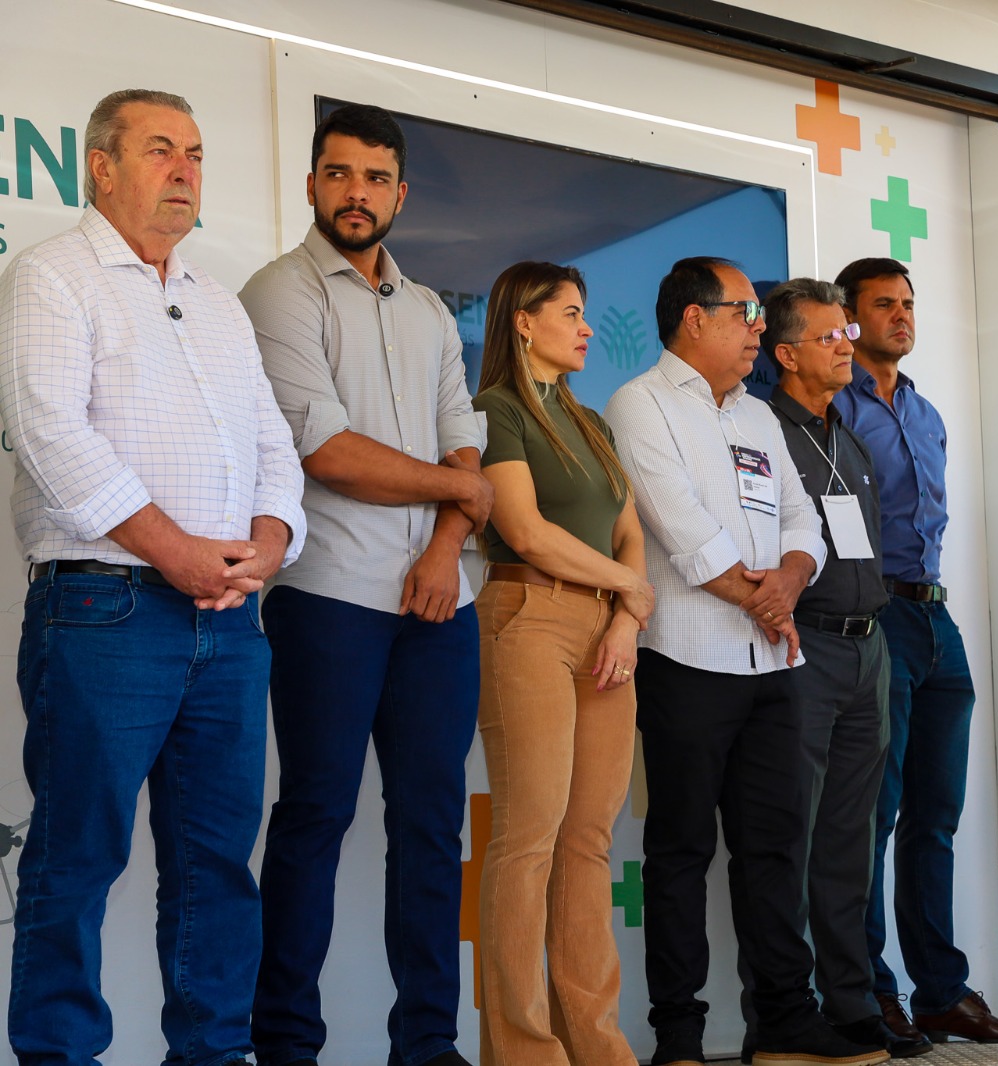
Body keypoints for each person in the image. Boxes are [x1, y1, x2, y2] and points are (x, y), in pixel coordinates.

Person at [0, 88, 306, 1066]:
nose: (185, 171)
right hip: (108, 606)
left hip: (229, 621)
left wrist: (269, 540)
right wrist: (177, 551)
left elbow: (273, 445)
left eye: (197, 154)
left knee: (217, 867)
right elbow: (50, 434)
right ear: (101, 167)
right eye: (161, 150)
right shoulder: (52, 274)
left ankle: (211, 1056)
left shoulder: (217, 302)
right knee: (76, 859)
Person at [239, 103, 491, 1066]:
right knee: (314, 818)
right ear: (311, 183)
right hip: (330, 595)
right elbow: (329, 453)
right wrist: (457, 493)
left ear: (400, 194)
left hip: (439, 602)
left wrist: (444, 547)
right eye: (340, 174)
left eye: (376, 178)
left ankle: (427, 1045)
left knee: (431, 827)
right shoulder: (281, 292)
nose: (357, 193)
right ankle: (286, 1047)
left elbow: (464, 445)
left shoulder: (427, 310)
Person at [603, 257, 885, 1066]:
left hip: (772, 663)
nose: (758, 328)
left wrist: (789, 580)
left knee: (775, 849)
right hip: (687, 658)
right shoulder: (640, 403)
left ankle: (785, 1024)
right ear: (694, 318)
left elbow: (803, 522)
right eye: (744, 312)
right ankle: (680, 1037)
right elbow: (678, 526)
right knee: (681, 852)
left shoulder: (757, 415)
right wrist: (764, 597)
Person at [832, 258, 998, 1046]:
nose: (902, 316)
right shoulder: (831, 405)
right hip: (872, 614)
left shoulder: (925, 412)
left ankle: (941, 994)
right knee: (872, 817)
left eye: (909, 304)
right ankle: (870, 992)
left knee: (936, 817)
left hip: (935, 619)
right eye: (885, 304)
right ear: (850, 319)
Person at [471, 261, 652, 1066]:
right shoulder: (495, 410)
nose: (586, 328)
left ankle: (599, 1049)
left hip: (607, 632)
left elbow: (630, 531)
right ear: (523, 320)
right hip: (528, 616)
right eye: (571, 313)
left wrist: (625, 617)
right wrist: (631, 589)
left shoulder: (592, 421)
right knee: (528, 839)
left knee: (587, 843)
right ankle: (525, 1053)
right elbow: (525, 530)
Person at [753, 279, 914, 1057]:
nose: (846, 346)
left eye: (845, 332)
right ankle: (785, 1014)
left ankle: (853, 1004)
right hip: (802, 647)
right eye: (828, 336)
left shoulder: (847, 433)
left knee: (853, 839)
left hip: (868, 646)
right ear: (785, 355)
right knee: (792, 834)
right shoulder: (762, 432)